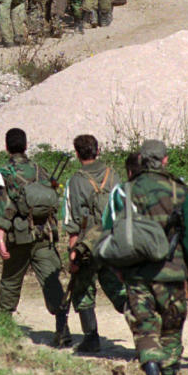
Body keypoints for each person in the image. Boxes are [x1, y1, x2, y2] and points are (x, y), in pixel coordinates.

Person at [97, 140, 188, 375]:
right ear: (165, 160)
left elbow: (110, 234)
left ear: (141, 160)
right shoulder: (179, 189)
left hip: (137, 275)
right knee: (171, 334)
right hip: (173, 276)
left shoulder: (125, 191)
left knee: (145, 328)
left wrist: (119, 270)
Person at [0, 128, 72, 347]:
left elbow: (2, 207)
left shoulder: (3, 172)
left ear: (7, 147)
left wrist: (0, 238)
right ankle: (63, 330)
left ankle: (3, 328)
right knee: (51, 280)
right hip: (44, 234)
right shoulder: (40, 170)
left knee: (10, 280)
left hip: (19, 236)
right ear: (26, 146)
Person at [62, 135, 127, 353]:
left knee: (82, 290)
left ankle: (91, 338)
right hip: (111, 241)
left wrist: (73, 254)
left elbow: (71, 221)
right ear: (97, 151)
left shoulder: (75, 180)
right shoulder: (113, 175)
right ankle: (144, 331)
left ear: (77, 153)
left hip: (86, 245)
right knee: (119, 289)